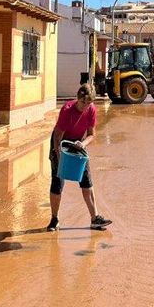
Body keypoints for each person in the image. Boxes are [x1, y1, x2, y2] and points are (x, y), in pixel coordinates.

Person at [46, 83, 112, 231]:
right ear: (77, 98)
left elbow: (91, 134)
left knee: (86, 180)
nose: (85, 106)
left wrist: (83, 144)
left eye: (89, 103)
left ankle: (95, 218)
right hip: (61, 142)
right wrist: (59, 157)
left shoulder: (91, 110)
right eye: (83, 102)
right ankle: (54, 219)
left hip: (78, 143)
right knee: (57, 181)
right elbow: (57, 137)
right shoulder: (67, 110)